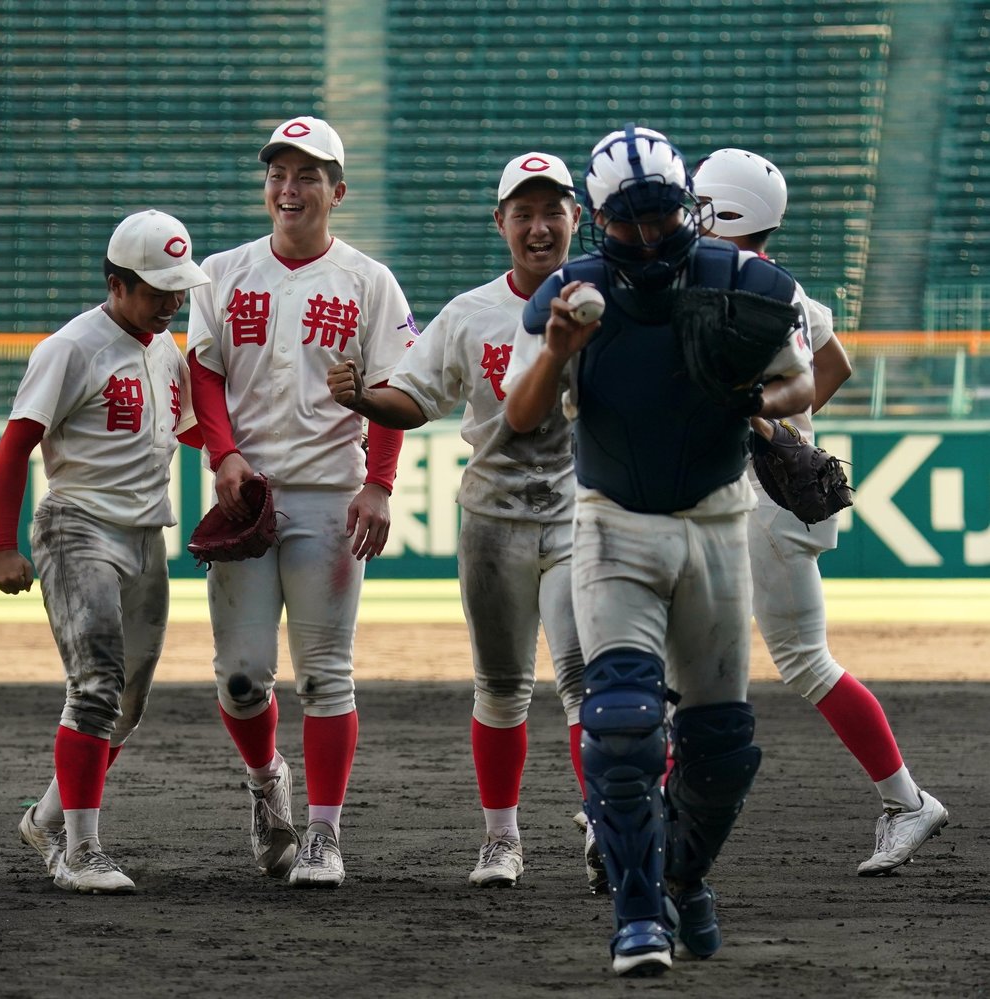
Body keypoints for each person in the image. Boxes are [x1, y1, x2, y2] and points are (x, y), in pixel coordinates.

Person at [503, 125, 815, 976]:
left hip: (717, 524)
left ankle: (682, 874)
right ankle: (638, 914)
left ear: (688, 208)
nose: (647, 234)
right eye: (630, 220)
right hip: (613, 523)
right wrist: (561, 349)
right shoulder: (570, 294)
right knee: (622, 722)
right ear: (602, 218)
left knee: (721, 750)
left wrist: (758, 397)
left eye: (661, 215)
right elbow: (522, 415)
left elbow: (808, 375)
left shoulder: (741, 283)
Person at [325, 153, 595, 890]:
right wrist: (362, 400)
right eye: (524, 212)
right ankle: (501, 839)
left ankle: (606, 819)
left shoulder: (611, 301)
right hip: (493, 517)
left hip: (581, 512)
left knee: (584, 676)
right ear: (500, 221)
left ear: (578, 217)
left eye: (553, 211)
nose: (539, 227)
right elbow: (414, 398)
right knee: (501, 685)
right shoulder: (473, 313)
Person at [691, 147, 949, 876]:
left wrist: (769, 426)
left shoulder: (734, 288)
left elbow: (801, 380)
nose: (690, 214)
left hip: (762, 501)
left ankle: (906, 800)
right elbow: (832, 363)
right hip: (775, 489)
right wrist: (790, 430)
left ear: (723, 213)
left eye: (701, 204)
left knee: (788, 659)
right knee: (710, 657)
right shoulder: (786, 287)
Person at [185, 115, 418, 888]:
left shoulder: (368, 282)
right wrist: (223, 453)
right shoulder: (222, 272)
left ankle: (323, 833)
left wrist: (379, 483)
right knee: (242, 678)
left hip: (329, 496)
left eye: (308, 174)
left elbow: (394, 390)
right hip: (248, 496)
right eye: (279, 172)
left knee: (325, 675)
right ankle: (265, 785)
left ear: (337, 191)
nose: (290, 186)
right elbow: (205, 372)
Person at [0, 209, 210, 894]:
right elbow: (15, 445)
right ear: (115, 283)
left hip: (147, 532)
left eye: (179, 288)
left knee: (128, 703)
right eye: (157, 289)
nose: (172, 301)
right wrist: (3, 543)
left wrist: (246, 466)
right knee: (96, 686)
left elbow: (190, 433)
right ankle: (82, 850)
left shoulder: (165, 348)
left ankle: (46, 819)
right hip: (77, 524)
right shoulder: (71, 347)